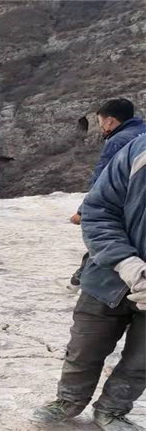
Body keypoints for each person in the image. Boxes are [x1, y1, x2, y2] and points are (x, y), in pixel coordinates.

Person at [32, 133, 146, 431]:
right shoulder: (137, 152)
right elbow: (98, 211)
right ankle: (69, 400)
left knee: (142, 359)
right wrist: (126, 262)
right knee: (85, 347)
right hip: (108, 277)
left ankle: (112, 410)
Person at [67, 99, 146, 290]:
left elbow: (102, 180)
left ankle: (82, 279)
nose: (101, 127)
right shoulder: (142, 132)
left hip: (120, 203)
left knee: (105, 236)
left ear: (110, 121)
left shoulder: (119, 140)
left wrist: (82, 211)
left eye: (101, 122)